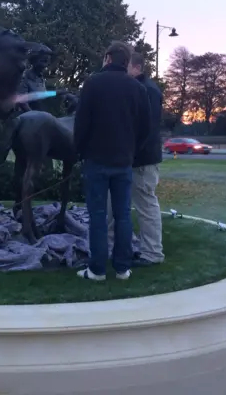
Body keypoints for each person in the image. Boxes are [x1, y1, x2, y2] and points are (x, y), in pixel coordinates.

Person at [73, 42, 152, 281]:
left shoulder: (93, 83)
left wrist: (80, 151)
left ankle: (97, 269)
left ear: (107, 58)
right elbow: (146, 129)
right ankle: (122, 268)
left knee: (97, 216)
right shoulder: (137, 88)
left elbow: (81, 124)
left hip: (96, 160)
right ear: (127, 61)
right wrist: (131, 151)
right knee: (123, 216)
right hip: (123, 161)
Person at [106, 52, 165, 266]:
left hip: (141, 161)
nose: (123, 70)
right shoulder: (139, 89)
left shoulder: (147, 90)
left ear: (137, 68)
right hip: (129, 159)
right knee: (113, 206)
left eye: (126, 66)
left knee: (146, 206)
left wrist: (129, 154)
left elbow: (145, 129)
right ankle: (112, 248)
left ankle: (152, 253)